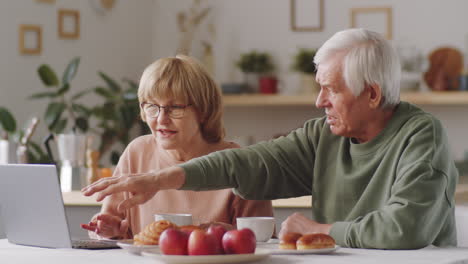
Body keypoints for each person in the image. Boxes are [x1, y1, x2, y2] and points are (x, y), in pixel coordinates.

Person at [83, 29, 458, 249]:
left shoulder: (421, 136)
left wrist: (321, 231)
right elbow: (246, 163)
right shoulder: (323, 135)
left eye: (330, 89)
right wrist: (161, 178)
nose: (319, 101)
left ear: (372, 95)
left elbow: (405, 228)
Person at [81, 55, 273, 239]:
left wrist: (226, 233)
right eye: (152, 106)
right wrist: (108, 229)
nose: (161, 119)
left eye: (175, 108)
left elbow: (265, 243)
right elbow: (112, 225)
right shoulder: (137, 152)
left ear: (203, 111)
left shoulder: (239, 165)